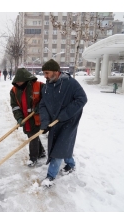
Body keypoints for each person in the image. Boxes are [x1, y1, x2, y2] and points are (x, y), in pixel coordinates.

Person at [39, 59, 87, 187]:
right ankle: (70, 164)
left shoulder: (70, 83)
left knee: (59, 148)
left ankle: (50, 176)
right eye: (44, 73)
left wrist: (64, 115)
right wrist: (44, 122)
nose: (45, 76)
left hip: (69, 121)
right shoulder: (47, 86)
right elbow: (43, 105)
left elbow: (82, 99)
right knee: (62, 146)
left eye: (47, 73)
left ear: (56, 71)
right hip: (55, 122)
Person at [10, 68, 46, 167]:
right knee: (33, 136)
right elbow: (15, 106)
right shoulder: (14, 90)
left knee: (32, 136)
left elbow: (48, 97)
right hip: (25, 118)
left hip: (37, 117)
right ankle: (41, 152)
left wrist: (41, 105)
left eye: (20, 81)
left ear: (26, 79)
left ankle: (33, 158)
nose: (18, 83)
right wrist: (19, 118)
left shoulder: (39, 86)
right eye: (17, 81)